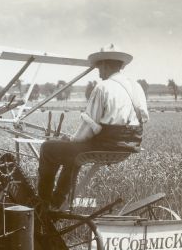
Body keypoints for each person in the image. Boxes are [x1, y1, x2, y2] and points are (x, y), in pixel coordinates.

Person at [38, 44, 149, 209]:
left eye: (99, 66)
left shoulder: (103, 87)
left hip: (105, 145)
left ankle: (43, 204)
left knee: (48, 149)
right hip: (129, 146)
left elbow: (89, 125)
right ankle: (57, 202)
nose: (98, 71)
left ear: (105, 65)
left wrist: (73, 139)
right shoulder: (136, 86)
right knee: (72, 155)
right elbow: (144, 117)